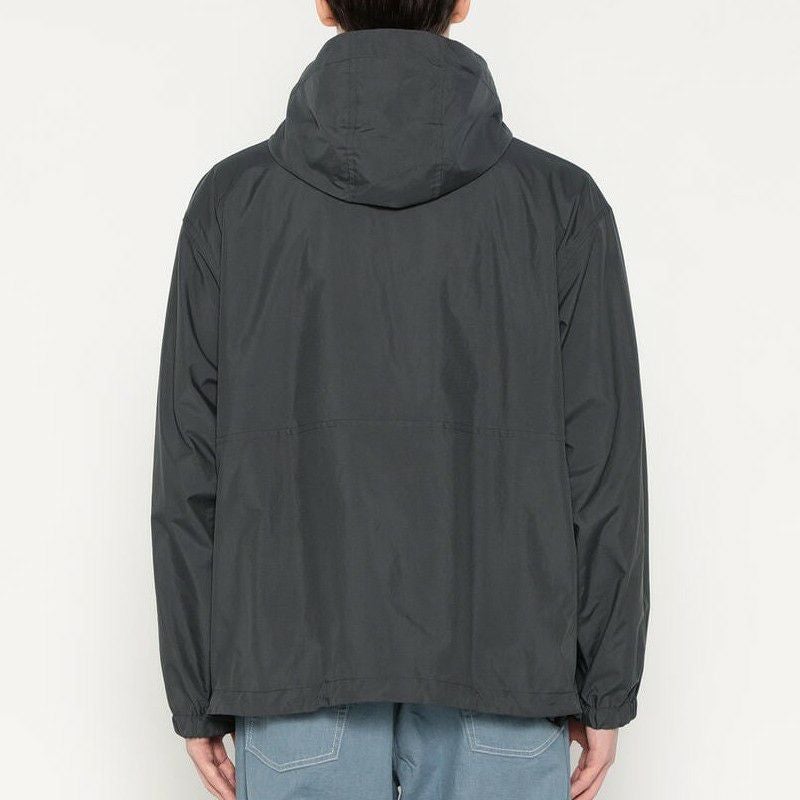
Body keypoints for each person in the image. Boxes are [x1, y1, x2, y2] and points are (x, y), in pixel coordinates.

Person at [151, 1, 649, 798]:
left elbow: (190, 469)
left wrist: (194, 689)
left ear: (324, 5)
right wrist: (607, 682)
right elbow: (603, 464)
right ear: (462, 3)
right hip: (506, 666)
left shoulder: (232, 203)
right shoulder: (560, 204)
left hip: (293, 670)